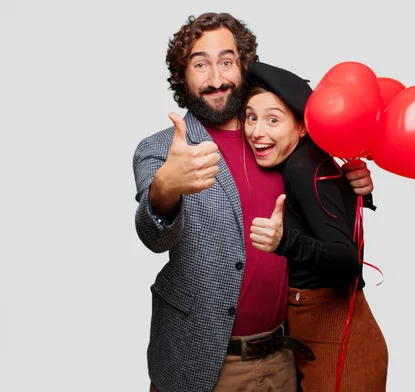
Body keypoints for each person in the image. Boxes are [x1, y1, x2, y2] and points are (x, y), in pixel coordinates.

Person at [132, 12, 376, 392]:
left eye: (226, 62)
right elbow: (153, 234)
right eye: (200, 65)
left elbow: (321, 209)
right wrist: (166, 187)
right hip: (201, 364)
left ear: (244, 67)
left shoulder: (272, 140)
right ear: (182, 76)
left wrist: (353, 182)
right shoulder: (160, 150)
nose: (215, 79)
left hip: (285, 358)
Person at [243, 62, 388, 392]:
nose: (256, 131)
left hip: (337, 337)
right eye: (251, 117)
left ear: (303, 128)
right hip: (314, 332)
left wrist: (285, 242)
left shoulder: (302, 168)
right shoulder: (306, 159)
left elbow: (347, 262)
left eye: (273, 120)